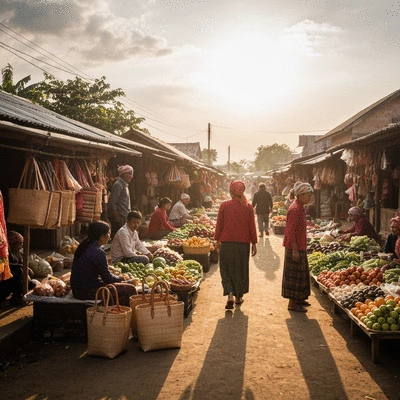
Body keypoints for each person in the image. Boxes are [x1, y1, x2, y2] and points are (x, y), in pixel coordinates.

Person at [70, 220, 136, 307]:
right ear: (102, 237)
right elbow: (108, 279)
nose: (109, 236)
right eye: (108, 234)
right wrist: (122, 279)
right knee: (130, 289)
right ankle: (118, 314)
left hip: (77, 290)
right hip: (87, 292)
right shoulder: (98, 252)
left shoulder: (84, 245)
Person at [214, 180, 257, 309]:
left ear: (231, 191)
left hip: (227, 243)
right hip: (243, 244)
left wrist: (217, 241)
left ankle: (230, 295)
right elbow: (252, 227)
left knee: (226, 269)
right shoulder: (248, 207)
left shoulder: (224, 205)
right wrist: (254, 243)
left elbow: (219, 225)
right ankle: (239, 297)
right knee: (241, 269)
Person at [282, 181, 314, 313]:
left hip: (300, 245)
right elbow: (290, 230)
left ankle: (299, 299)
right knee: (294, 275)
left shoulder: (300, 207)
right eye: (308, 195)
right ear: (300, 195)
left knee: (301, 274)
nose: (310, 197)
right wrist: (294, 248)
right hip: (294, 246)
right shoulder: (295, 209)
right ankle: (292, 303)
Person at [0, 231, 37, 306]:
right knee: (19, 271)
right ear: (12, 243)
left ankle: (17, 295)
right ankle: (15, 297)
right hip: (4, 281)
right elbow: (5, 265)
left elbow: (22, 264)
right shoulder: (4, 251)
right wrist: (22, 267)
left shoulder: (18, 253)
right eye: (19, 244)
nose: (21, 246)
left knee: (31, 283)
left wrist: (27, 269)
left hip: (15, 278)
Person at [108, 165, 134, 237]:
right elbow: (113, 202)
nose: (131, 176)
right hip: (120, 215)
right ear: (125, 174)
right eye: (130, 174)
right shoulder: (118, 185)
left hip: (124, 215)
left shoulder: (124, 185)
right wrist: (116, 215)